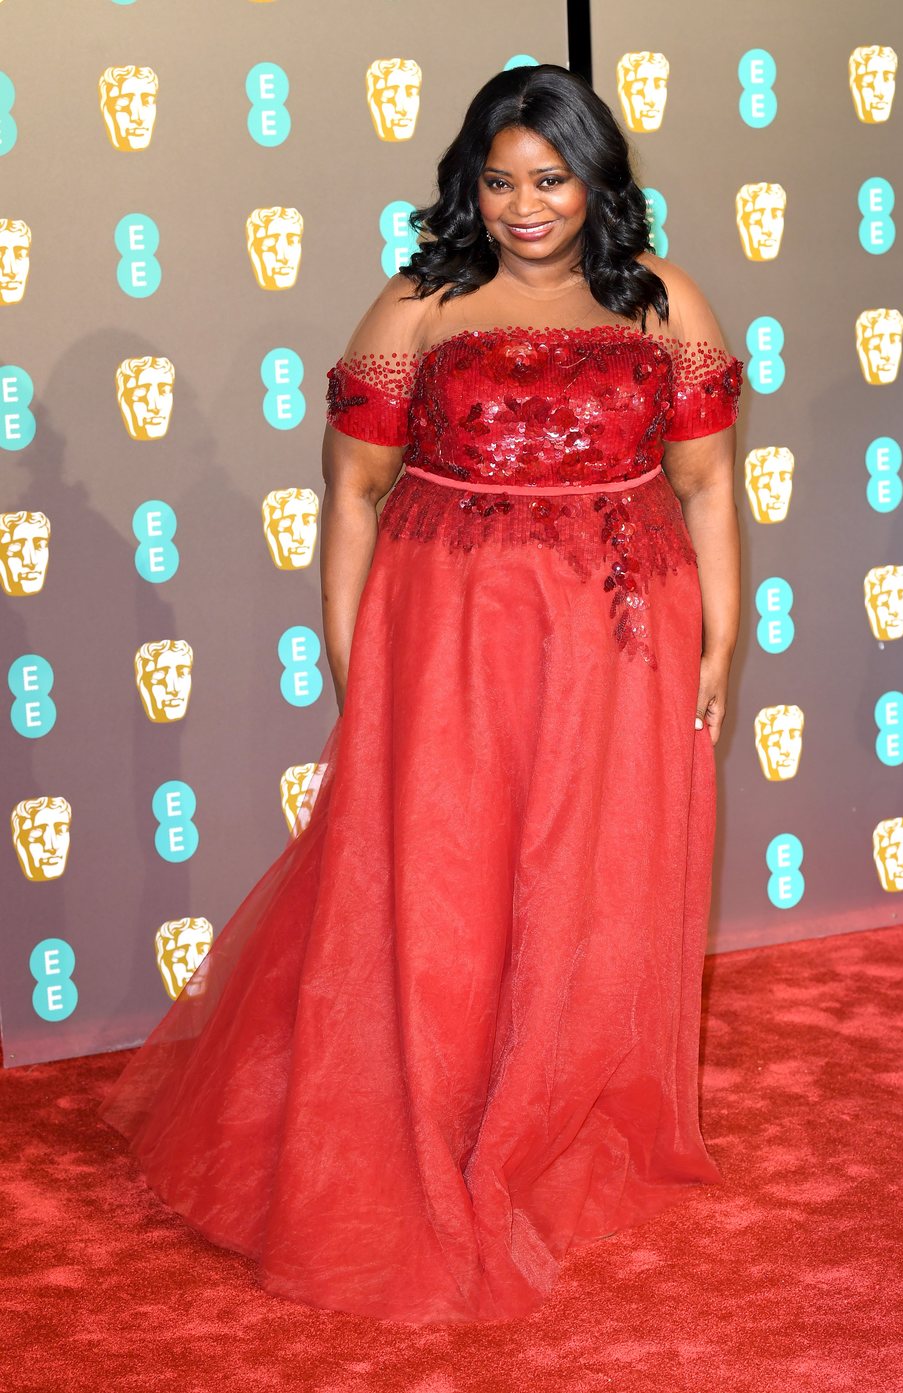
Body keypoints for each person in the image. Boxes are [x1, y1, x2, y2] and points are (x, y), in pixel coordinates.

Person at [98, 63, 743, 1325]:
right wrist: (354, 660)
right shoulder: (420, 304)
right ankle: (428, 1118)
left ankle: (552, 1110)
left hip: (622, 629)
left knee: (592, 874)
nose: (524, 205)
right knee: (442, 884)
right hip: (455, 632)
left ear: (597, 178)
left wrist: (716, 641)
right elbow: (351, 493)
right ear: (469, 183)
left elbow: (711, 485)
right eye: (499, 181)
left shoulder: (666, 301)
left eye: (550, 179)